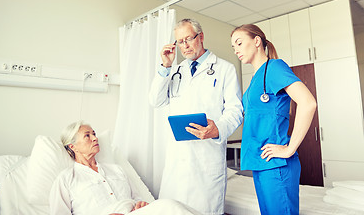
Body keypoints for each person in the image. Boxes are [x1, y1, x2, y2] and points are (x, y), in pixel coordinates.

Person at [149, 18, 243, 215]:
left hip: (206, 158)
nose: (184, 46)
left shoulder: (224, 69)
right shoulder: (174, 72)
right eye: (180, 41)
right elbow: (155, 101)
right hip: (178, 158)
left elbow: (235, 111)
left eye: (188, 39)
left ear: (201, 37)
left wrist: (218, 129)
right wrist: (165, 66)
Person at [231, 24, 317, 215]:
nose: (236, 49)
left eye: (239, 43)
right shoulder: (255, 78)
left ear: (256, 41)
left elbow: (308, 103)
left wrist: (289, 149)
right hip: (260, 161)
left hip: (277, 163)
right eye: (233, 47)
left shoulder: (274, 67)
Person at [49, 121, 202, 215]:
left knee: (171, 206)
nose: (95, 138)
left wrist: (140, 204)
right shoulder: (66, 179)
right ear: (73, 146)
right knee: (169, 206)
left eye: (94, 134)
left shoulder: (117, 170)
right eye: (87, 136)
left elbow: (137, 198)